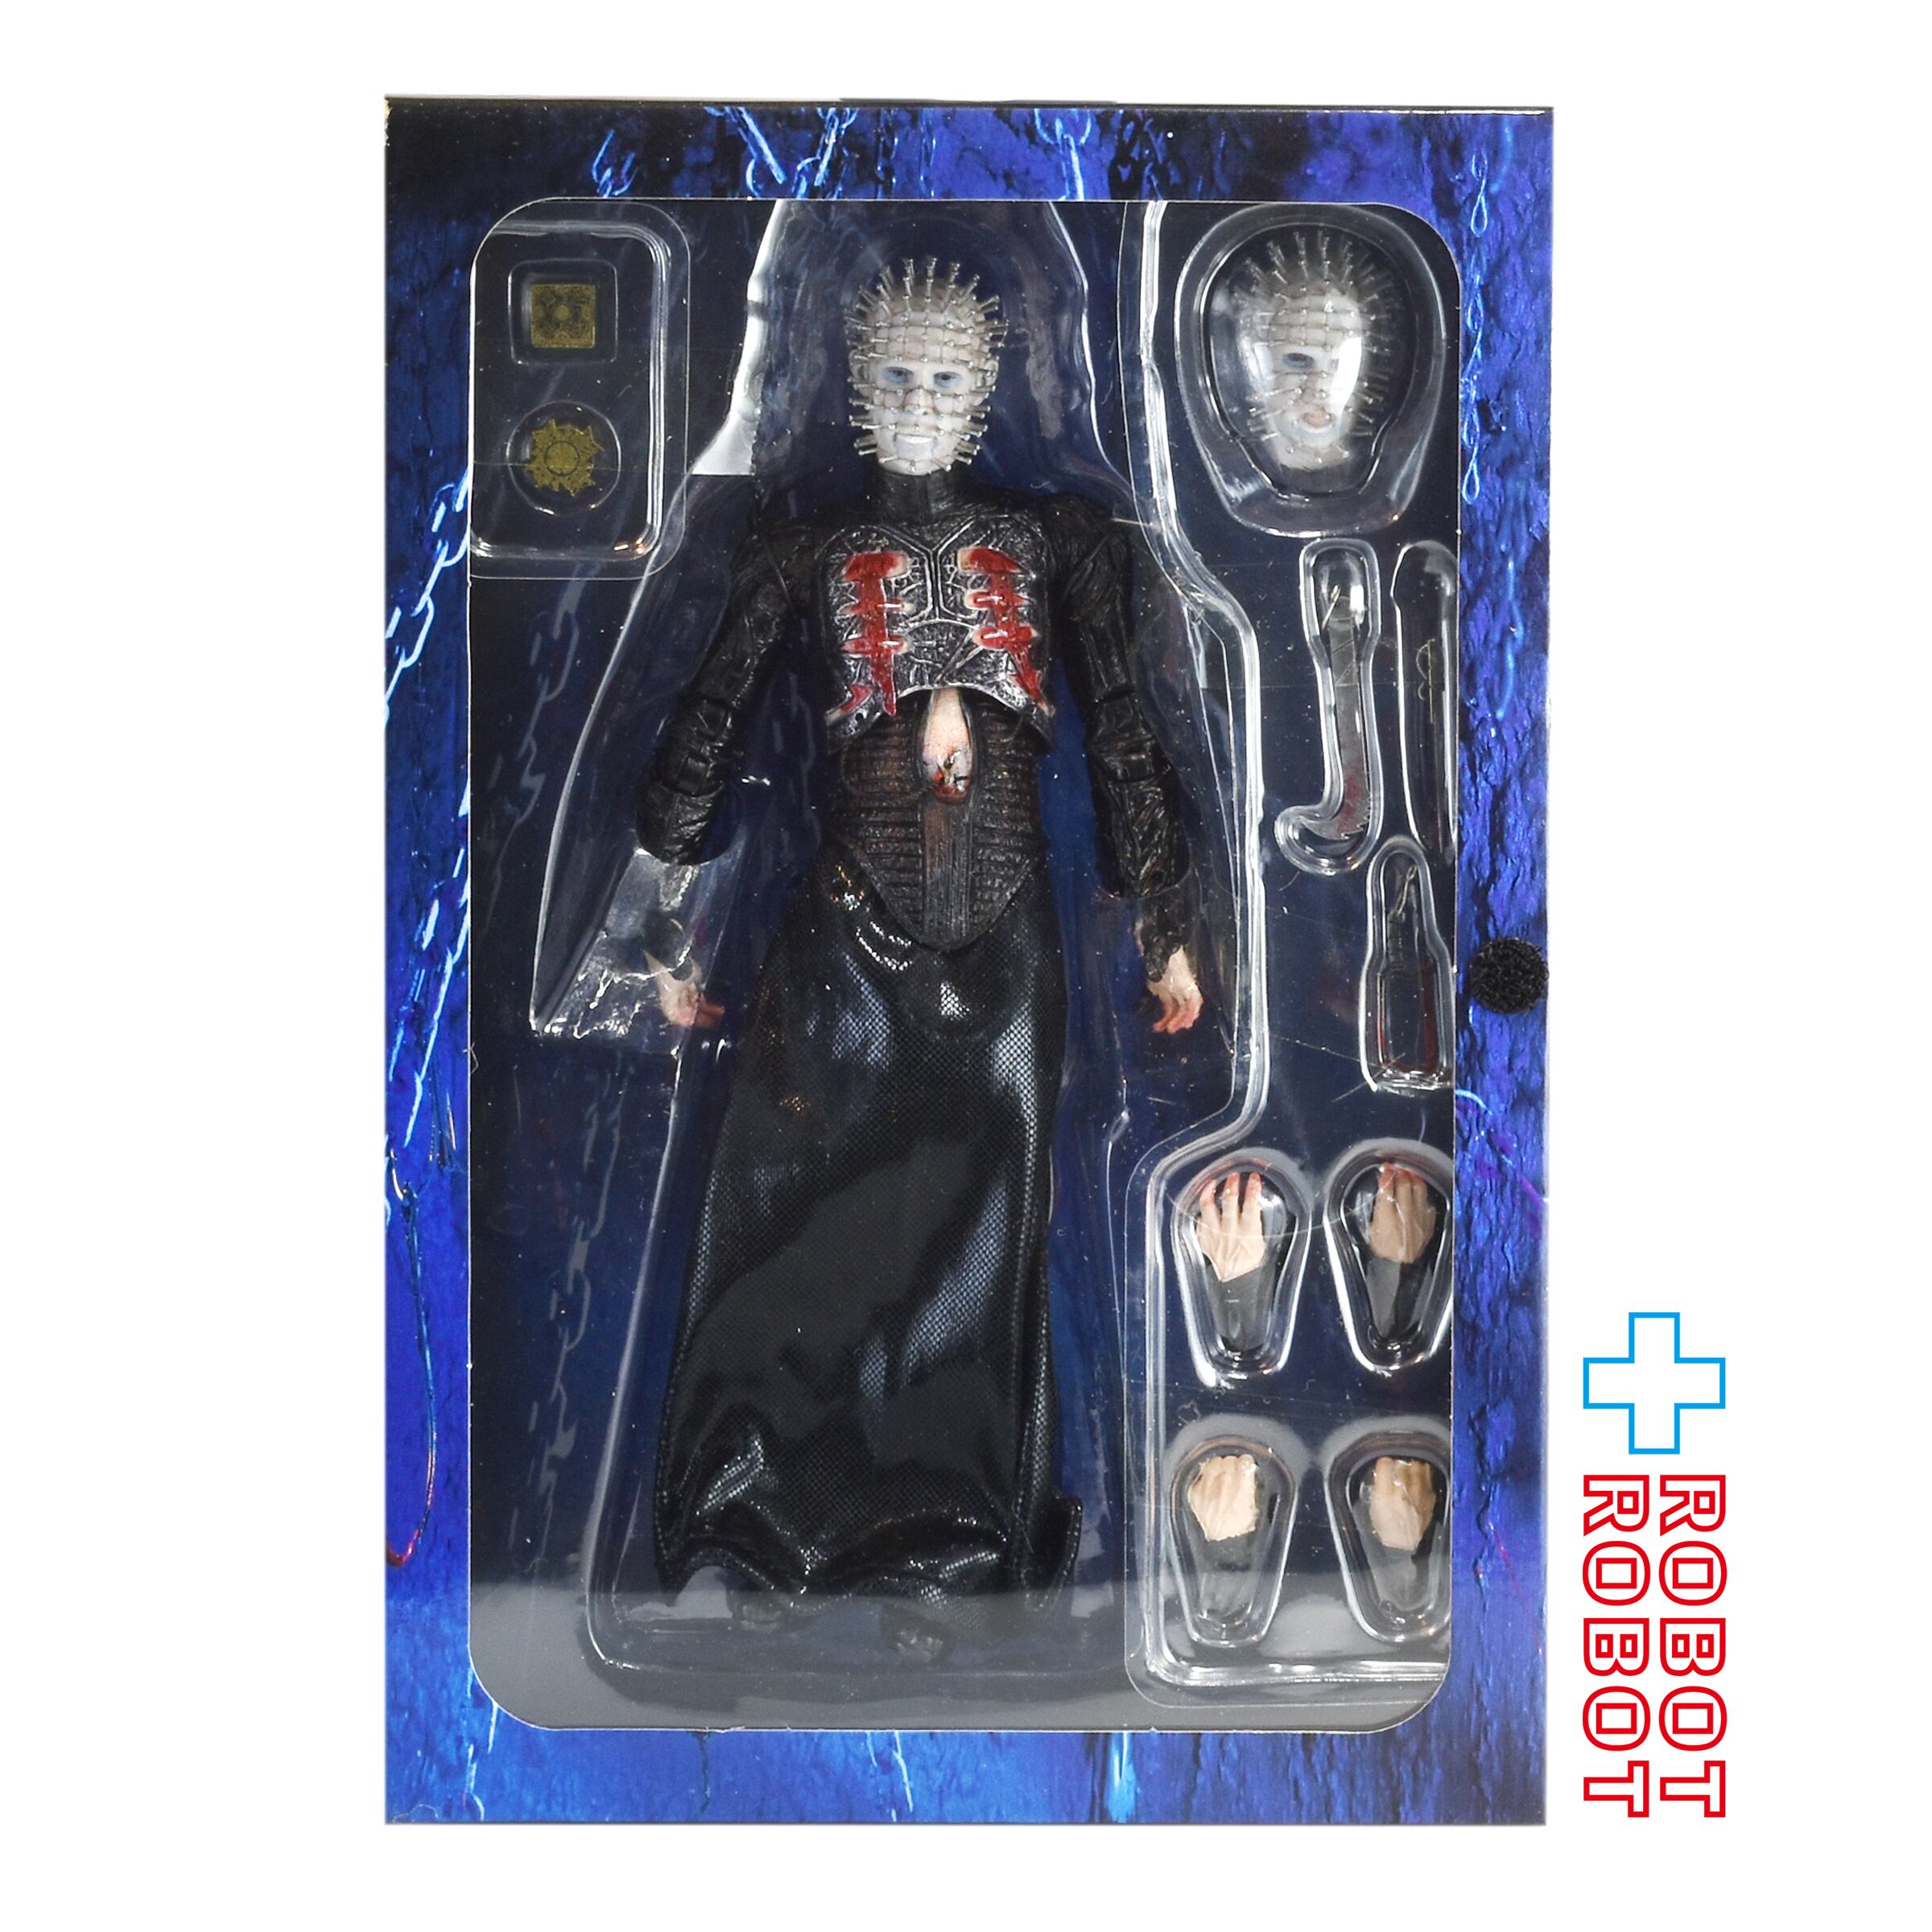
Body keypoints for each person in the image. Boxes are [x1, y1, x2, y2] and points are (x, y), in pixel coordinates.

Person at [634, 260, 1202, 1653]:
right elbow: (707, 724)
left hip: (1006, 949)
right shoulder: (802, 553)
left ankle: (951, 1557)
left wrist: (1165, 925)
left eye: (948, 379)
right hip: (841, 934)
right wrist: (659, 922)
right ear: (852, 380)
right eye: (894, 375)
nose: (919, 402)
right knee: (785, 1232)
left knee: (985, 1255)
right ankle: (750, 1536)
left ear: (988, 389)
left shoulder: (1059, 543)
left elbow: (1125, 733)